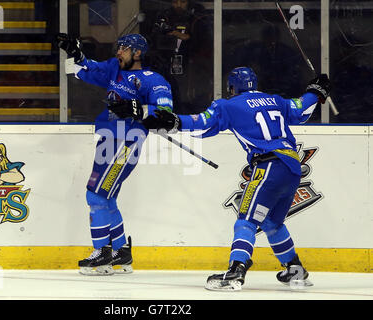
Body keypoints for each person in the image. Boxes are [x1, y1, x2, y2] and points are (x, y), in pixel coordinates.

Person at [117, 66, 331, 290]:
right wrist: (316, 91)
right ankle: (295, 269)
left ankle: (236, 271)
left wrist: (173, 121)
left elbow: (201, 122)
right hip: (293, 167)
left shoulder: (228, 105)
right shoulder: (274, 100)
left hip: (269, 165)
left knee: (246, 221)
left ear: (232, 87)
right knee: (271, 222)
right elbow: (300, 108)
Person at [55, 33, 174, 275]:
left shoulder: (154, 80)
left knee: (96, 196)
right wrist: (75, 54)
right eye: (118, 47)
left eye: (124, 49)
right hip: (108, 139)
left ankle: (101, 252)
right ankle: (121, 252)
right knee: (106, 197)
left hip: (126, 141)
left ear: (138, 53)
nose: (118, 52)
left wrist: (138, 108)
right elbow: (88, 69)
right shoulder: (113, 69)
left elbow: (165, 112)